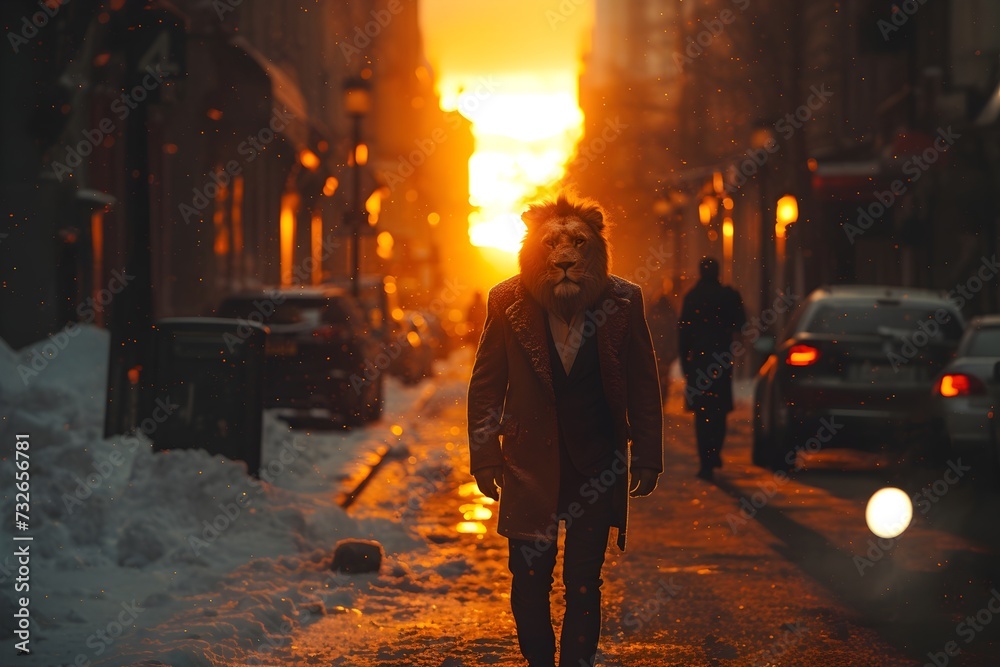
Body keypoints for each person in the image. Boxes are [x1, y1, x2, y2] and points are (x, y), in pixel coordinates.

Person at [467, 193, 663, 667]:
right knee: (529, 579)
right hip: (528, 463)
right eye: (552, 243)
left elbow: (643, 384)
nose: (565, 255)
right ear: (534, 249)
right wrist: (486, 456)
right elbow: (486, 387)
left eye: (578, 242)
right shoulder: (506, 299)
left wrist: (650, 455)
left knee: (583, 581)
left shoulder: (624, 300)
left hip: (596, 463)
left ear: (596, 247)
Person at [678, 257, 746, 481]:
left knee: (702, 412)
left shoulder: (692, 297)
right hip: (721, 360)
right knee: (719, 410)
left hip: (699, 362)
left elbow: (683, 333)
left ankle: (705, 459)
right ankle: (714, 451)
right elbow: (740, 324)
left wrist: (685, 362)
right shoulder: (728, 296)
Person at [645, 281, 679, 407]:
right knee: (664, 376)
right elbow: (675, 332)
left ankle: (655, 399)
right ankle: (662, 399)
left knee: (655, 375)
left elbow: (646, 330)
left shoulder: (652, 312)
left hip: (654, 350)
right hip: (666, 352)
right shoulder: (671, 314)